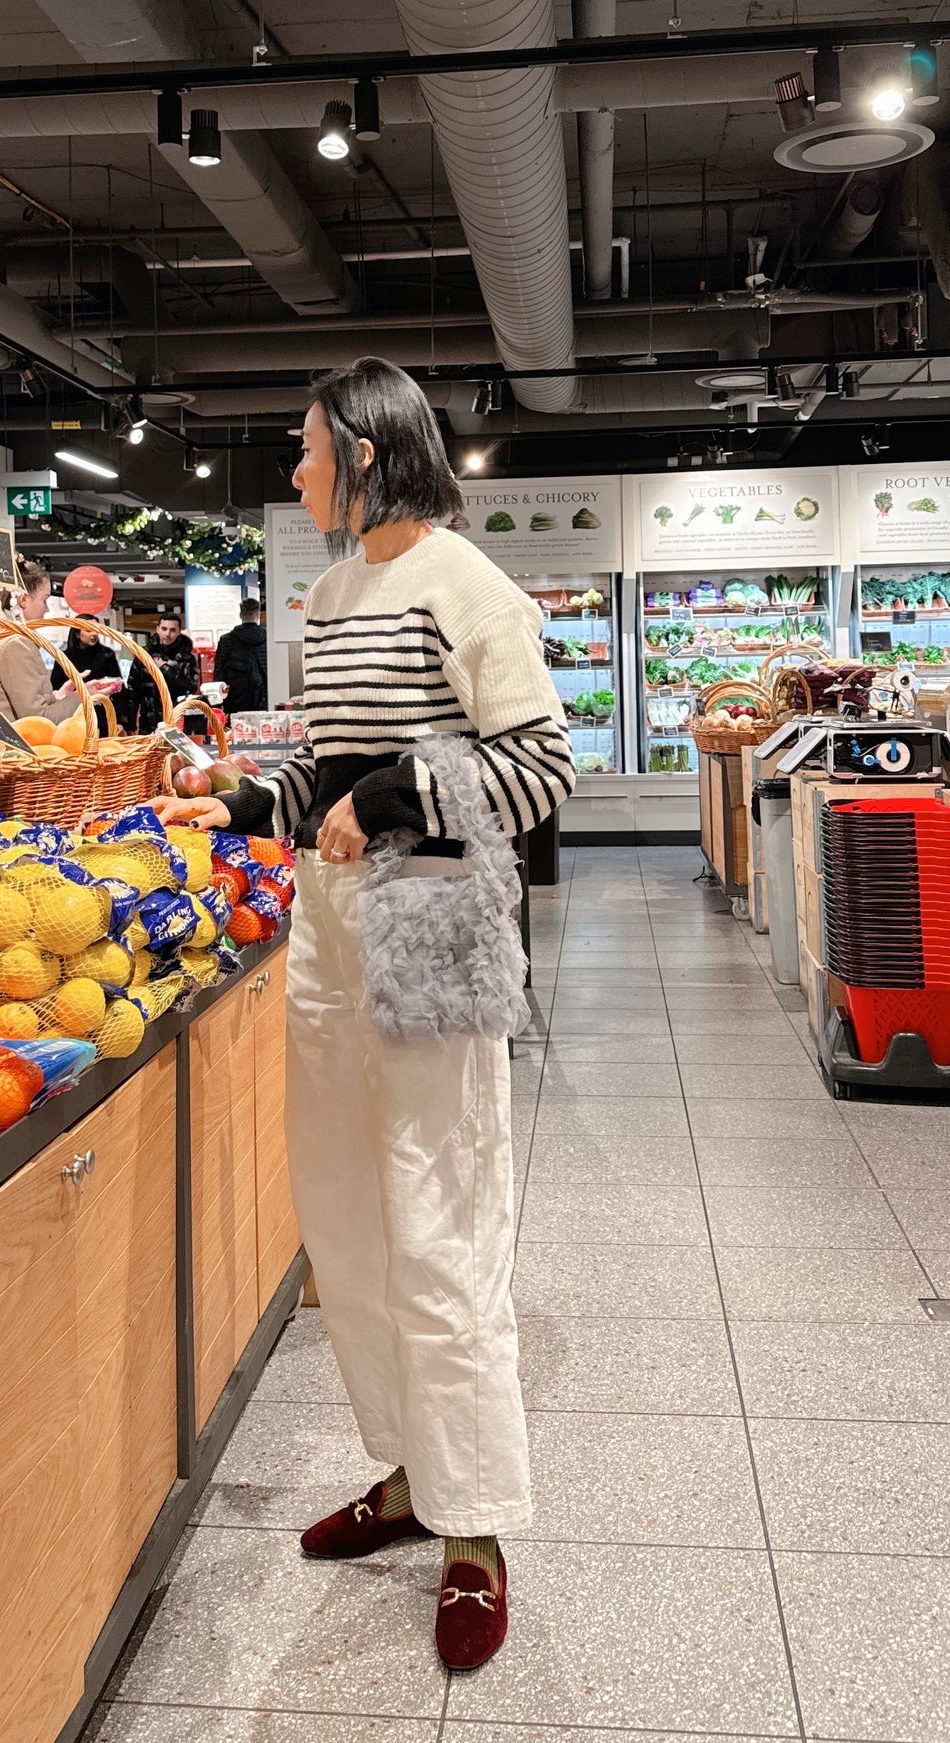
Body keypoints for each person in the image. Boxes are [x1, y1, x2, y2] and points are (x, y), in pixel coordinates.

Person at [153, 357, 574, 1674]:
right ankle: (408, 1474)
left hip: (436, 927)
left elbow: (538, 762)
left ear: (370, 454)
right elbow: (319, 773)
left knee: (442, 1229)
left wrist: (390, 798)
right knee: (347, 1225)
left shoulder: (470, 587)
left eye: (306, 449)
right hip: (329, 937)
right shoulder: (332, 596)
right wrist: (233, 799)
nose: (294, 468)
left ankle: (478, 1528)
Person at [0, 561, 83, 724]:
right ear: (24, 599)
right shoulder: (16, 643)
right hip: (9, 746)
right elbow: (38, 720)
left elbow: (5, 698)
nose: (47, 609)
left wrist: (56, 697)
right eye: (45, 600)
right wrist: (83, 696)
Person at [125, 611, 198, 731]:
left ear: (179, 632)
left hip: (177, 721)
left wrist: (165, 669)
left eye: (172, 630)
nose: (167, 634)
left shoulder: (187, 658)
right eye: (164, 629)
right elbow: (133, 691)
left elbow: (191, 687)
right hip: (148, 723)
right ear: (157, 629)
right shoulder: (144, 655)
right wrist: (129, 724)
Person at [212, 597, 268, 715]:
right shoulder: (268, 639)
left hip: (234, 700)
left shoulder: (226, 640)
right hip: (263, 698)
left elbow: (218, 673)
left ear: (240, 615)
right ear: (258, 614)